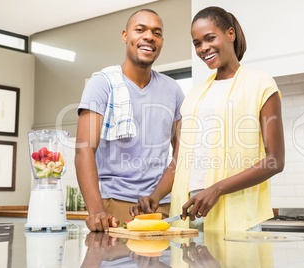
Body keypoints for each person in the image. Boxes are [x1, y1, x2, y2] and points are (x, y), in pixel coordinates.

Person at [131, 6, 285, 232]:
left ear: (230, 34)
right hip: (188, 215)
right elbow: (179, 161)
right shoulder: (193, 96)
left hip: (237, 217)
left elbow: (275, 160)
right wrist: (155, 196)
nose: (204, 48)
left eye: (210, 38)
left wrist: (216, 189)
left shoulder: (260, 84)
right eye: (197, 43)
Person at [75, 9, 184, 232]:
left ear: (161, 41)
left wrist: (156, 195)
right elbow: (84, 150)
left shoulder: (173, 90)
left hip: (162, 208)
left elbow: (181, 155)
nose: (149, 37)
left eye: (157, 32)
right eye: (140, 29)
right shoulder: (102, 84)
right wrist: (96, 212)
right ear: (125, 36)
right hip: (114, 206)